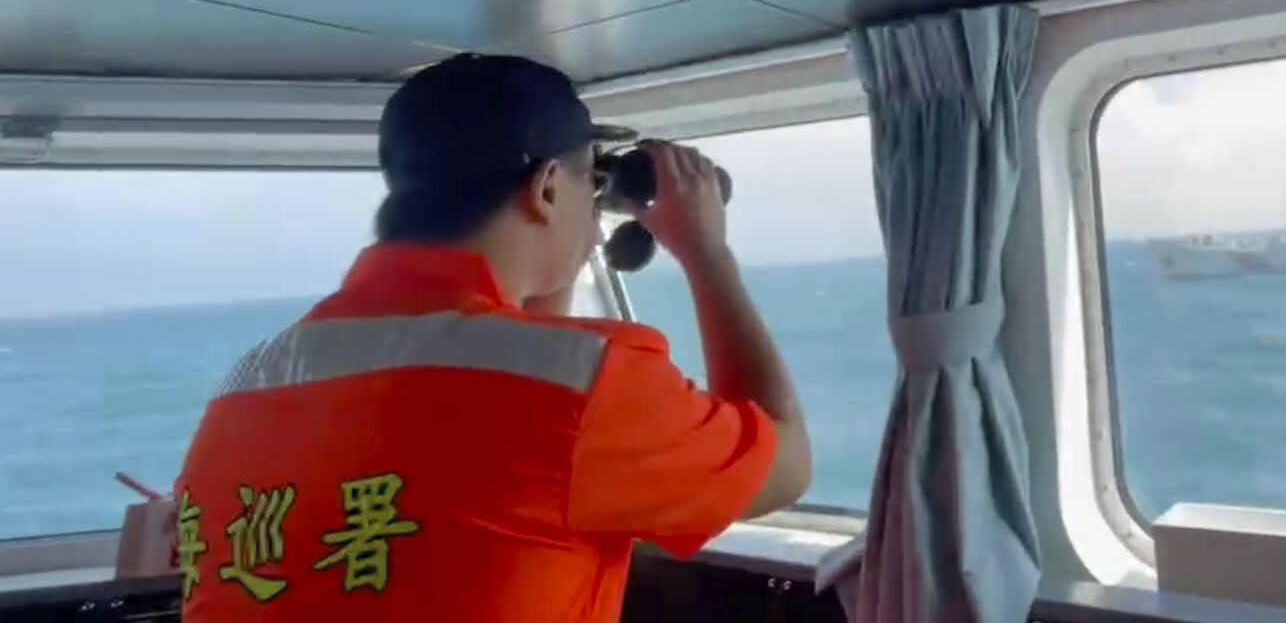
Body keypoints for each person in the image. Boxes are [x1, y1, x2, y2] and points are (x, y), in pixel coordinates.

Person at [173, 53, 810, 621]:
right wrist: (706, 252)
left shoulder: (245, 385)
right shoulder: (586, 389)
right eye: (589, 182)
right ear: (548, 187)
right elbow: (783, 466)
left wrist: (553, 251)